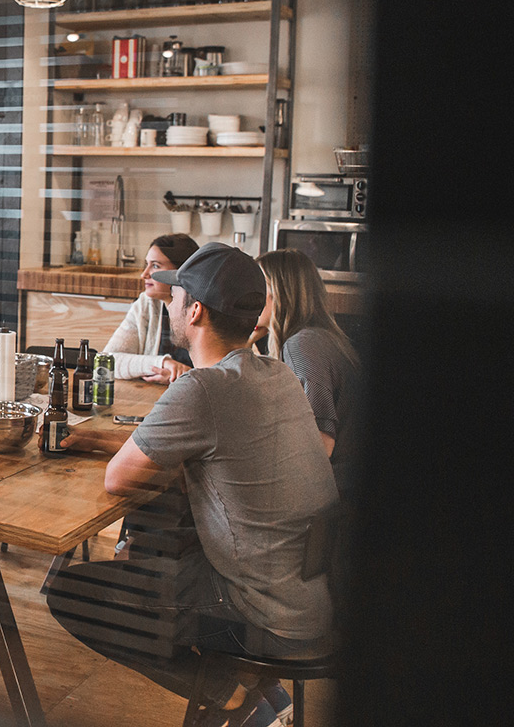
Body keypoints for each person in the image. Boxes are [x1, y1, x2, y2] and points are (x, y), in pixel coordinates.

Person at [47, 243, 339, 727]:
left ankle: (230, 695)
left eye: (178, 293)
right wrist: (93, 438)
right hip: (309, 597)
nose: (172, 301)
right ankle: (261, 697)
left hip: (260, 616)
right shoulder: (276, 373)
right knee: (164, 537)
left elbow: (118, 479)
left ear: (196, 310)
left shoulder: (202, 388)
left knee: (72, 593)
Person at [255, 249, 362, 498]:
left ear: (279, 292)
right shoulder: (318, 336)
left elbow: (318, 446)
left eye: (258, 287)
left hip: (335, 494)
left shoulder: (304, 345)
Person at [100, 233, 200, 383]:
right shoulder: (146, 304)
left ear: (181, 272)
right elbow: (106, 361)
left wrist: (178, 377)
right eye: (146, 264)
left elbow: (218, 376)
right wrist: (163, 363)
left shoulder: (204, 309)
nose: (144, 274)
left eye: (155, 266)